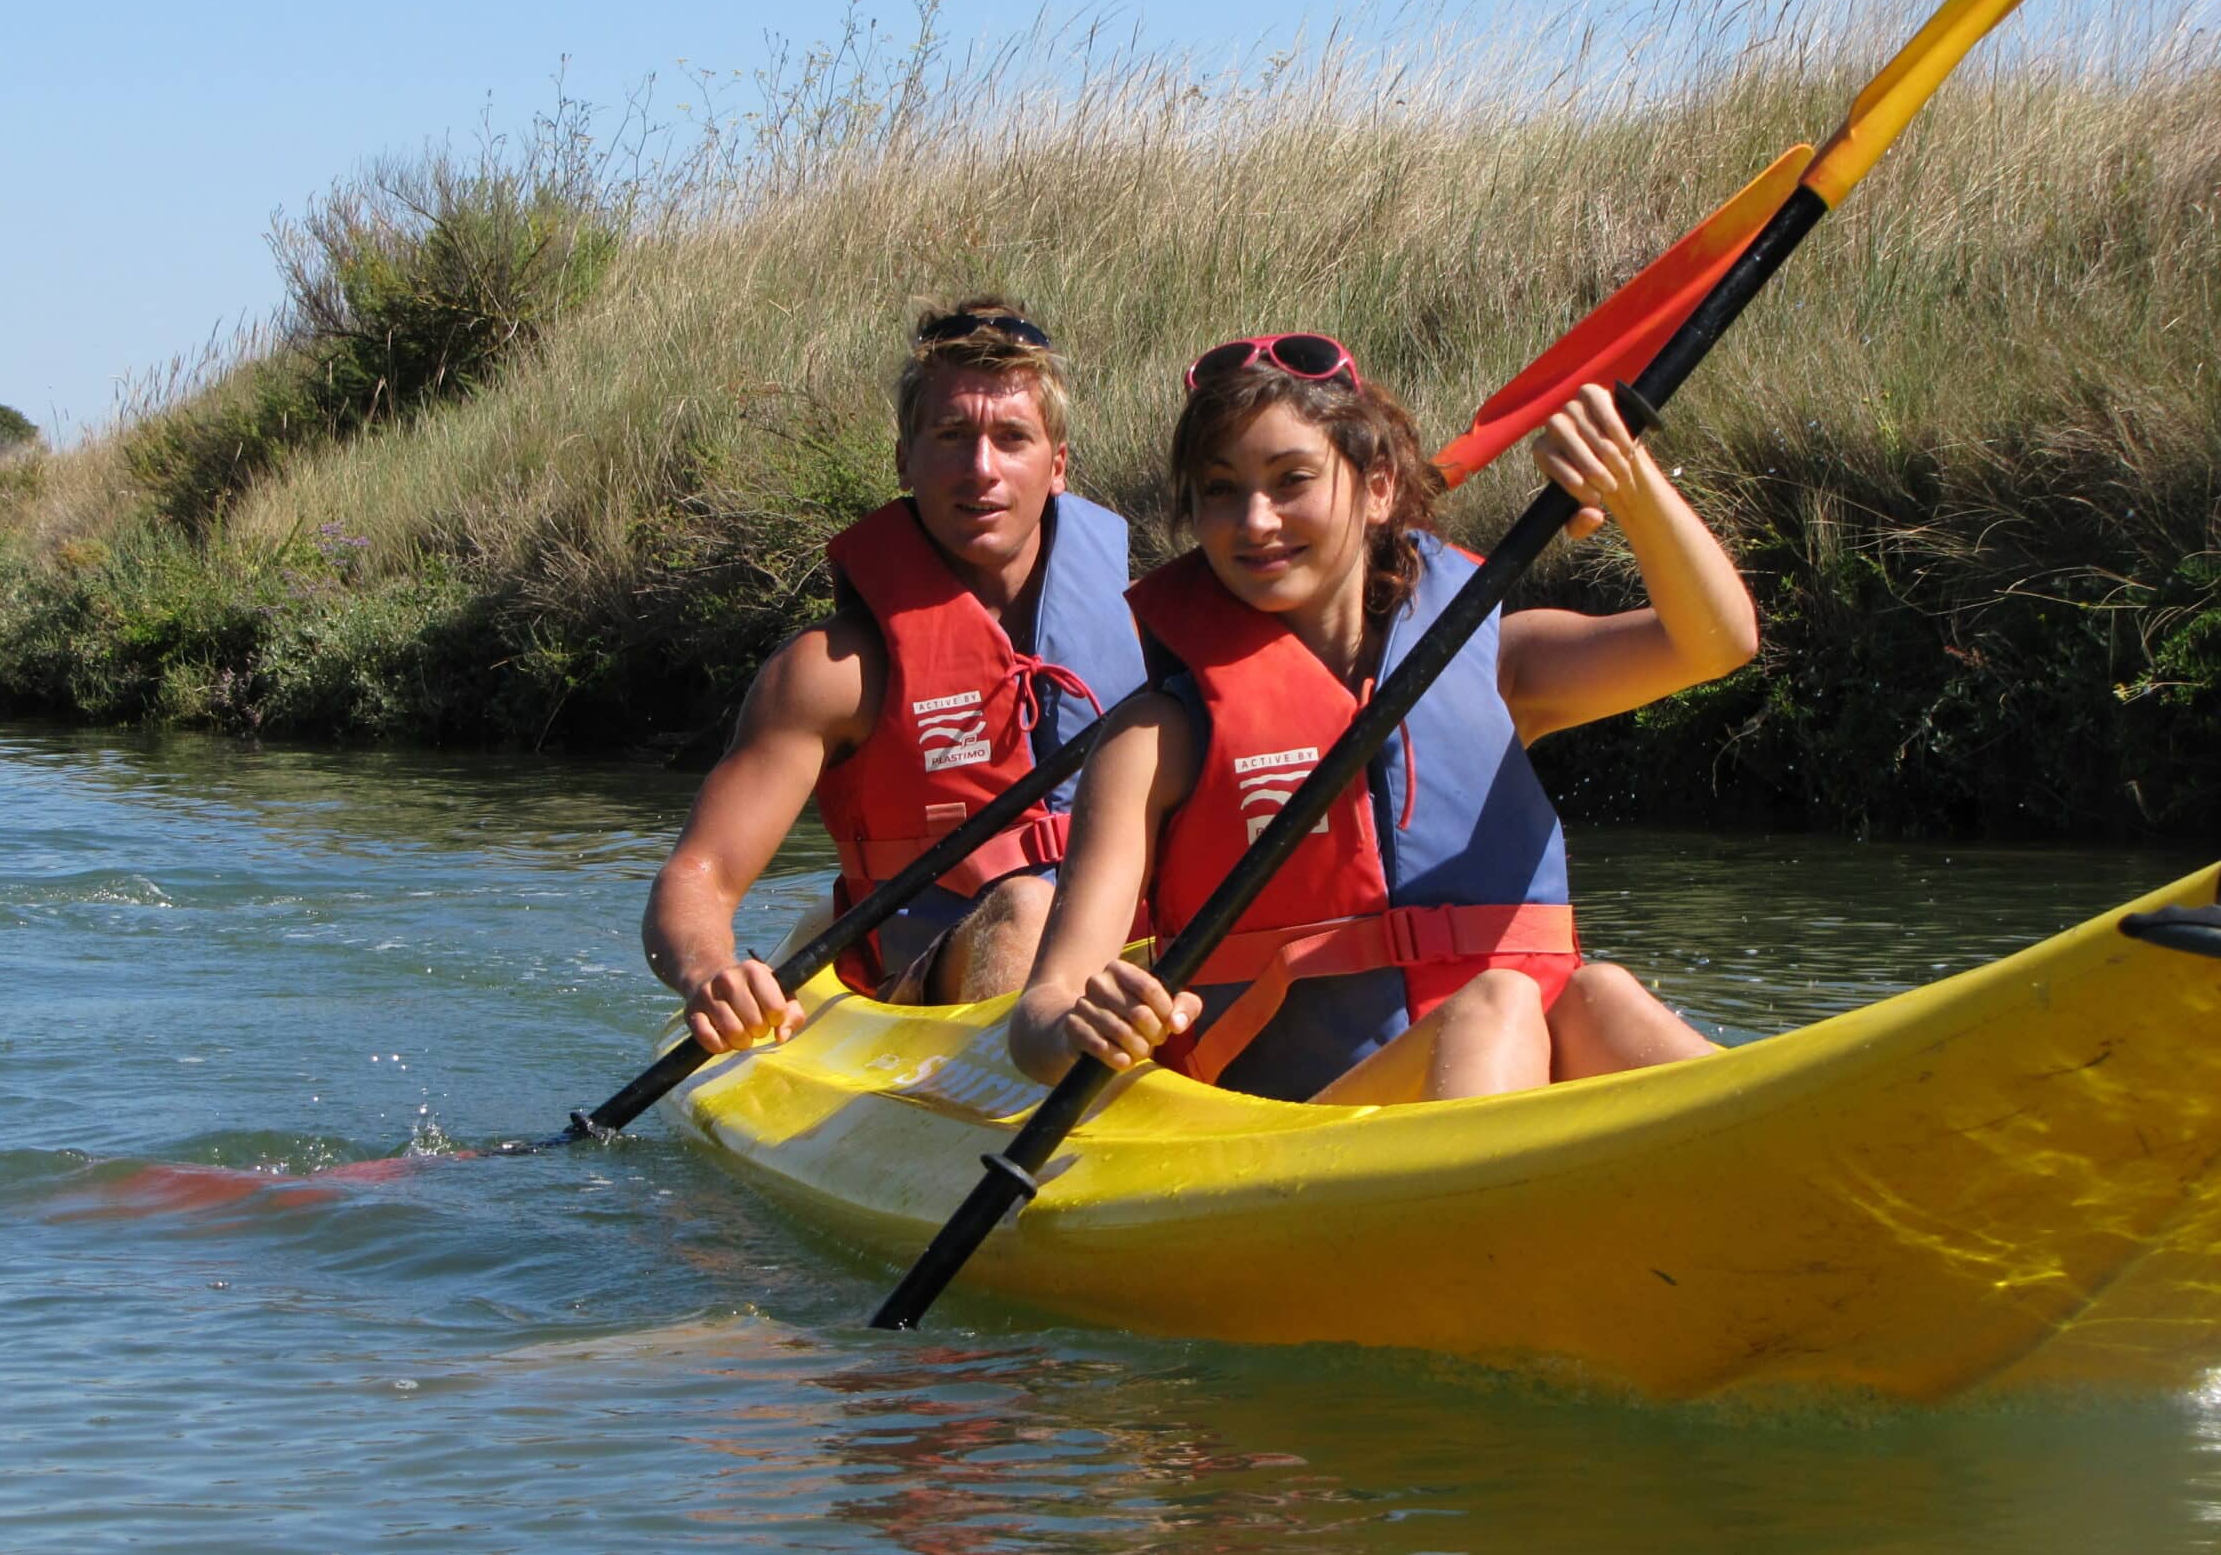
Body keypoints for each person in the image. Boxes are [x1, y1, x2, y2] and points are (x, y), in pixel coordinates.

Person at [1007, 332, 1759, 1104]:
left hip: (1492, 1098)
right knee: (1498, 1007)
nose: (1255, 520)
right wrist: (1081, 1027)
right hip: (1291, 1133)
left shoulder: (1497, 665)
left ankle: (1770, 1144)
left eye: (1291, 479)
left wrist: (1628, 484)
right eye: (1221, 489)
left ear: (1377, 487)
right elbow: (1036, 1024)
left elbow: (1716, 644)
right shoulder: (1155, 739)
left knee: (1599, 995)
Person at [643, 299, 1144, 1055]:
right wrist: (712, 973)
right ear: (904, 459)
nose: (983, 470)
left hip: (1121, 958)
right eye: (951, 437)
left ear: (1058, 464)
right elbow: (698, 878)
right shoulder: (834, 672)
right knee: (1027, 908)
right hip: (928, 967)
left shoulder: (1150, 637)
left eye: (1012, 439)